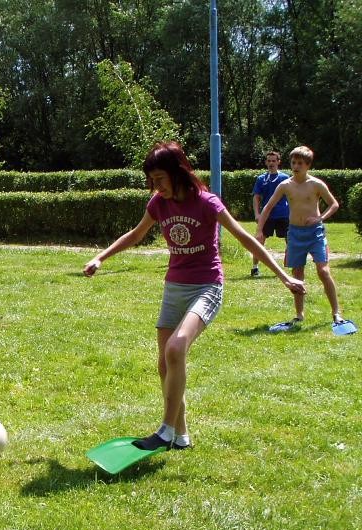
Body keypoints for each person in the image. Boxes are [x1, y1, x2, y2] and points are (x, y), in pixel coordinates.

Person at [83, 142, 305, 451]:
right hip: (174, 287)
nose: (156, 186)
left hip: (206, 286)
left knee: (176, 349)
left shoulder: (207, 203)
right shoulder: (158, 204)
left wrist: (283, 276)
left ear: (177, 173)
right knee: (165, 365)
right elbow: (136, 234)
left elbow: (244, 238)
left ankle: (164, 431)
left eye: (160, 179)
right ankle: (182, 435)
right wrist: (100, 258)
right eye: (152, 180)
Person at [256, 145, 348, 329]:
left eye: (300, 163)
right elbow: (268, 207)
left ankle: (336, 313)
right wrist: (259, 230)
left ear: (307, 165)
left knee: (323, 271)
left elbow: (334, 204)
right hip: (295, 234)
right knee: (297, 275)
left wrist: (319, 218)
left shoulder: (316, 184)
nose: (296, 166)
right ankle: (299, 315)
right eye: (293, 162)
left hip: (315, 233)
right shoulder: (285, 185)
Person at [251, 151, 289, 277]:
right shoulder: (261, 179)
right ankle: (255, 267)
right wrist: (257, 214)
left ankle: (289, 267)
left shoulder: (285, 178)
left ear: (278, 162)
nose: (271, 163)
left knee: (290, 240)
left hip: (283, 214)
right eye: (269, 161)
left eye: (274, 161)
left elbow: (292, 196)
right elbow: (256, 197)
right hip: (267, 215)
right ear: (266, 162)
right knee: (259, 239)